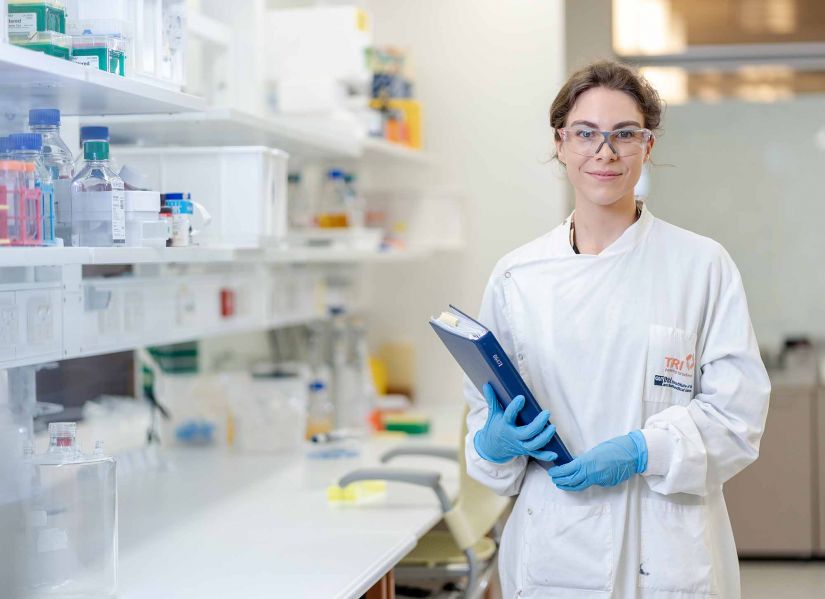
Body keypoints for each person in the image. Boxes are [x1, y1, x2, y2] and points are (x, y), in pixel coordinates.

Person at [465, 60, 771, 598]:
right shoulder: (518, 277)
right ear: (560, 143)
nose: (604, 152)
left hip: (669, 550)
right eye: (586, 134)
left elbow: (737, 420)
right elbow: (488, 432)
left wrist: (642, 449)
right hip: (553, 548)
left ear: (646, 146)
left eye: (624, 134)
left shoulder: (701, 266)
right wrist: (493, 443)